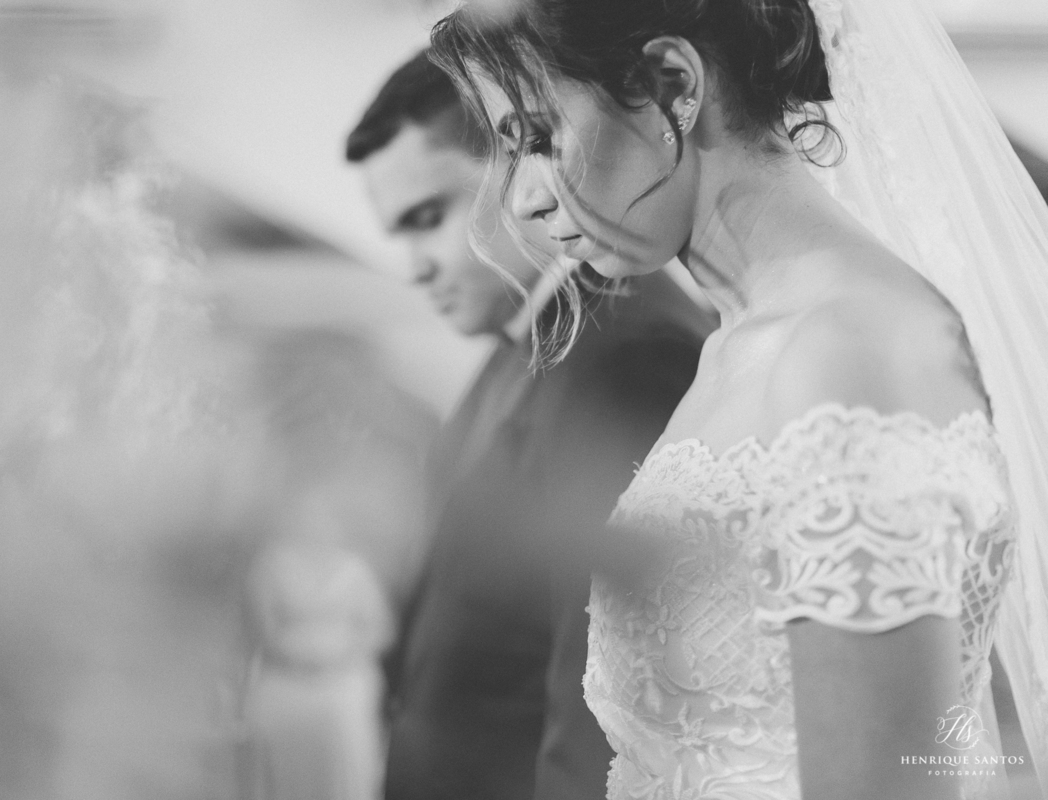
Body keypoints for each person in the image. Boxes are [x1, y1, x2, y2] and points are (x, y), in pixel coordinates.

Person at [429, 0, 1048, 799]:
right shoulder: (738, 345)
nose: (523, 201)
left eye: (540, 138)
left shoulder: (848, 351)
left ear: (672, 83)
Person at [347, 50, 713, 800]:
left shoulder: (630, 354)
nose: (414, 266)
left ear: (518, 163)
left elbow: (606, 702)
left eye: (429, 217)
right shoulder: (524, 346)